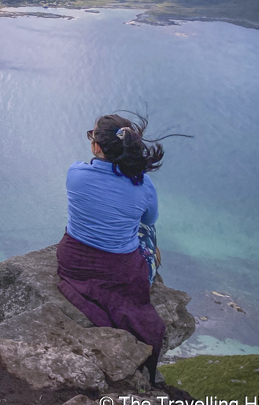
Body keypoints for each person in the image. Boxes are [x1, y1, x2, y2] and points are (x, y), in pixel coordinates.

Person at [56, 113, 184, 386]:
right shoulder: (143, 185)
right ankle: (152, 258)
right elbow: (148, 220)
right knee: (147, 230)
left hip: (73, 261)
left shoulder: (75, 174)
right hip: (119, 271)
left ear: (96, 146)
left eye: (92, 135)